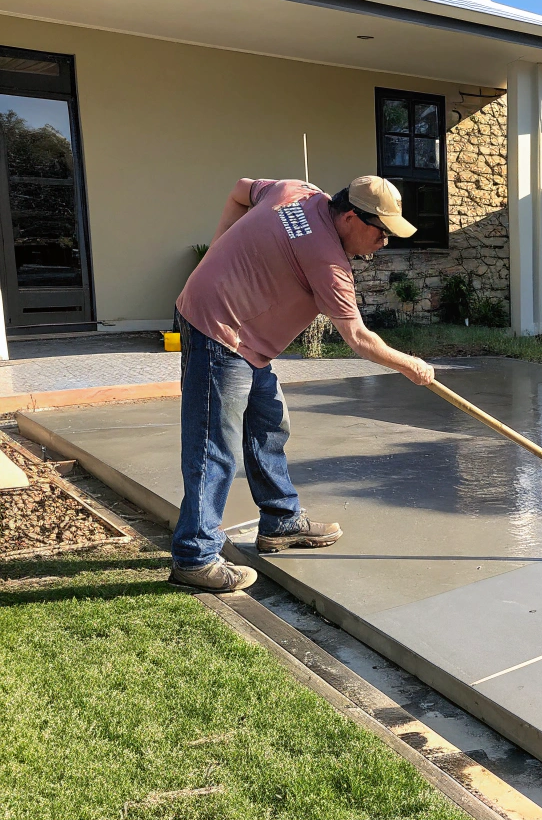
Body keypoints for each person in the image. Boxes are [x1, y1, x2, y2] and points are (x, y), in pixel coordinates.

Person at [170, 175, 435, 591]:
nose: (384, 243)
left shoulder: (295, 192)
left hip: (246, 339)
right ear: (350, 217)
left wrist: (216, 251)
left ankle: (280, 521)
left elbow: (239, 190)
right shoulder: (329, 265)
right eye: (380, 232)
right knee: (213, 446)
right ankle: (194, 558)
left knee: (269, 423)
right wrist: (410, 365)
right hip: (217, 329)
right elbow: (359, 338)